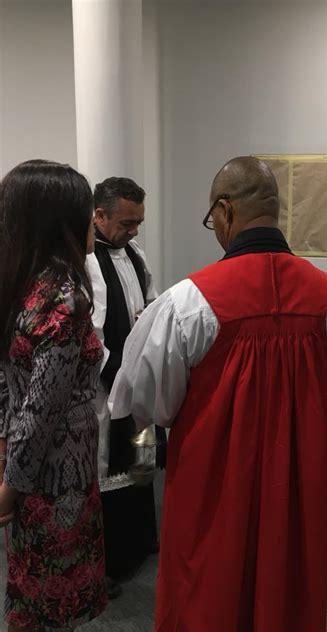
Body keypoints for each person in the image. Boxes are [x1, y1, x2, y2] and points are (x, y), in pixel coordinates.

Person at [110, 156, 327, 631]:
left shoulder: (189, 301)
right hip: (295, 468)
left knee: (209, 582)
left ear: (224, 210)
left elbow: (145, 400)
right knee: (288, 575)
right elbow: (326, 379)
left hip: (214, 472)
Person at [0, 159, 107, 631]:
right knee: (51, 601)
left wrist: (6, 465)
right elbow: (41, 411)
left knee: (29, 591)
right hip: (58, 474)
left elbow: (9, 388)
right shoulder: (64, 298)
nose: (93, 223)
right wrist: (10, 490)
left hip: (23, 464)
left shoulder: (21, 285)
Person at [86, 177, 165, 597]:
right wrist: (120, 373)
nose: (134, 231)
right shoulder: (86, 262)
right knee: (110, 465)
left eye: (139, 223)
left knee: (143, 458)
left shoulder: (134, 253)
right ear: (99, 215)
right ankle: (111, 560)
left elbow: (151, 302)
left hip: (140, 380)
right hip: (108, 384)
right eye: (127, 223)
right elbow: (90, 333)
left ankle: (143, 539)